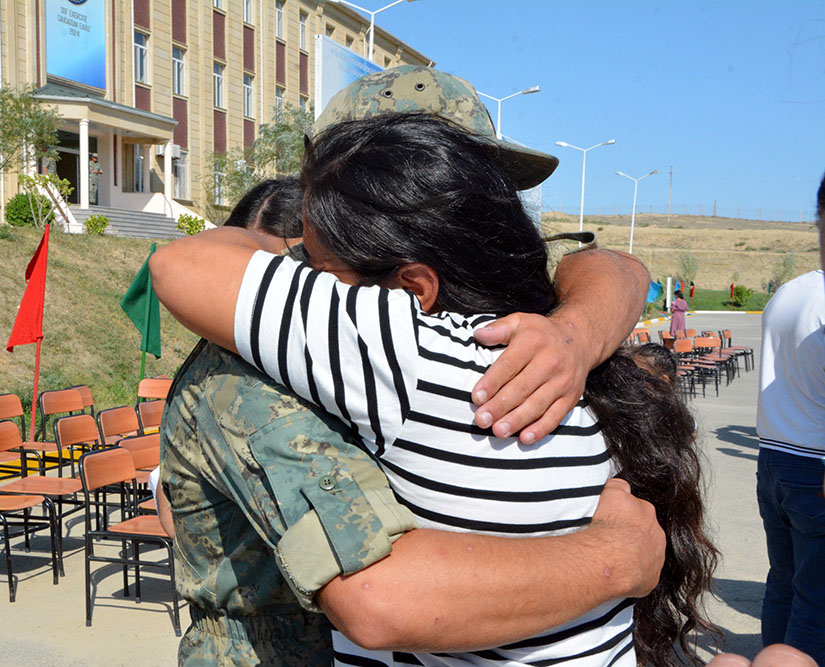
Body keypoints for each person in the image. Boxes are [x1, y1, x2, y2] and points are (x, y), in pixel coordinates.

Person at [152, 113, 717, 666]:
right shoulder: (577, 354)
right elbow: (614, 264)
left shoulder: (403, 351)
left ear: (412, 287)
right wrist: (580, 328)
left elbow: (180, 262)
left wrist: (612, 561)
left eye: (318, 267)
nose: (309, 277)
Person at [754, 170, 825, 664]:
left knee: (782, 579)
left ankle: (770, 655)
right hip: (816, 468)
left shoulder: (791, 291)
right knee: (816, 598)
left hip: (773, 458)